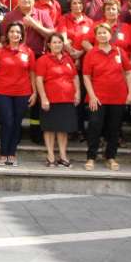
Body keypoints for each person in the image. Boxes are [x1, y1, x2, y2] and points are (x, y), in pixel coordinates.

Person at [81, 23, 131, 171]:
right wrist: (91, 96)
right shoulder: (91, 53)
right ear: (96, 36)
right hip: (97, 98)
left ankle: (110, 157)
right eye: (99, 33)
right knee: (94, 127)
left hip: (118, 97)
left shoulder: (119, 51)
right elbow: (86, 76)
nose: (102, 35)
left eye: (105, 32)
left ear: (110, 35)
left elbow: (129, 72)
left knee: (114, 129)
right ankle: (91, 157)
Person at [0, 22, 35, 167]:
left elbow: (32, 72)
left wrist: (34, 93)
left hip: (23, 92)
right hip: (2, 92)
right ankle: (3, 153)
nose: (15, 34)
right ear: (7, 34)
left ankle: (12, 153)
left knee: (16, 123)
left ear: (22, 35)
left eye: (18, 32)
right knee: (7, 121)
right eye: (12, 31)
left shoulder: (28, 52)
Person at [34, 32, 79, 168]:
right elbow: (39, 80)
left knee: (63, 129)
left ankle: (63, 156)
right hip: (50, 99)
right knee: (49, 129)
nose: (57, 45)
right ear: (49, 45)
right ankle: (51, 156)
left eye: (59, 42)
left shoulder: (68, 59)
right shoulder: (43, 60)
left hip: (67, 99)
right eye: (54, 42)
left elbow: (75, 77)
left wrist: (77, 93)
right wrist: (43, 98)